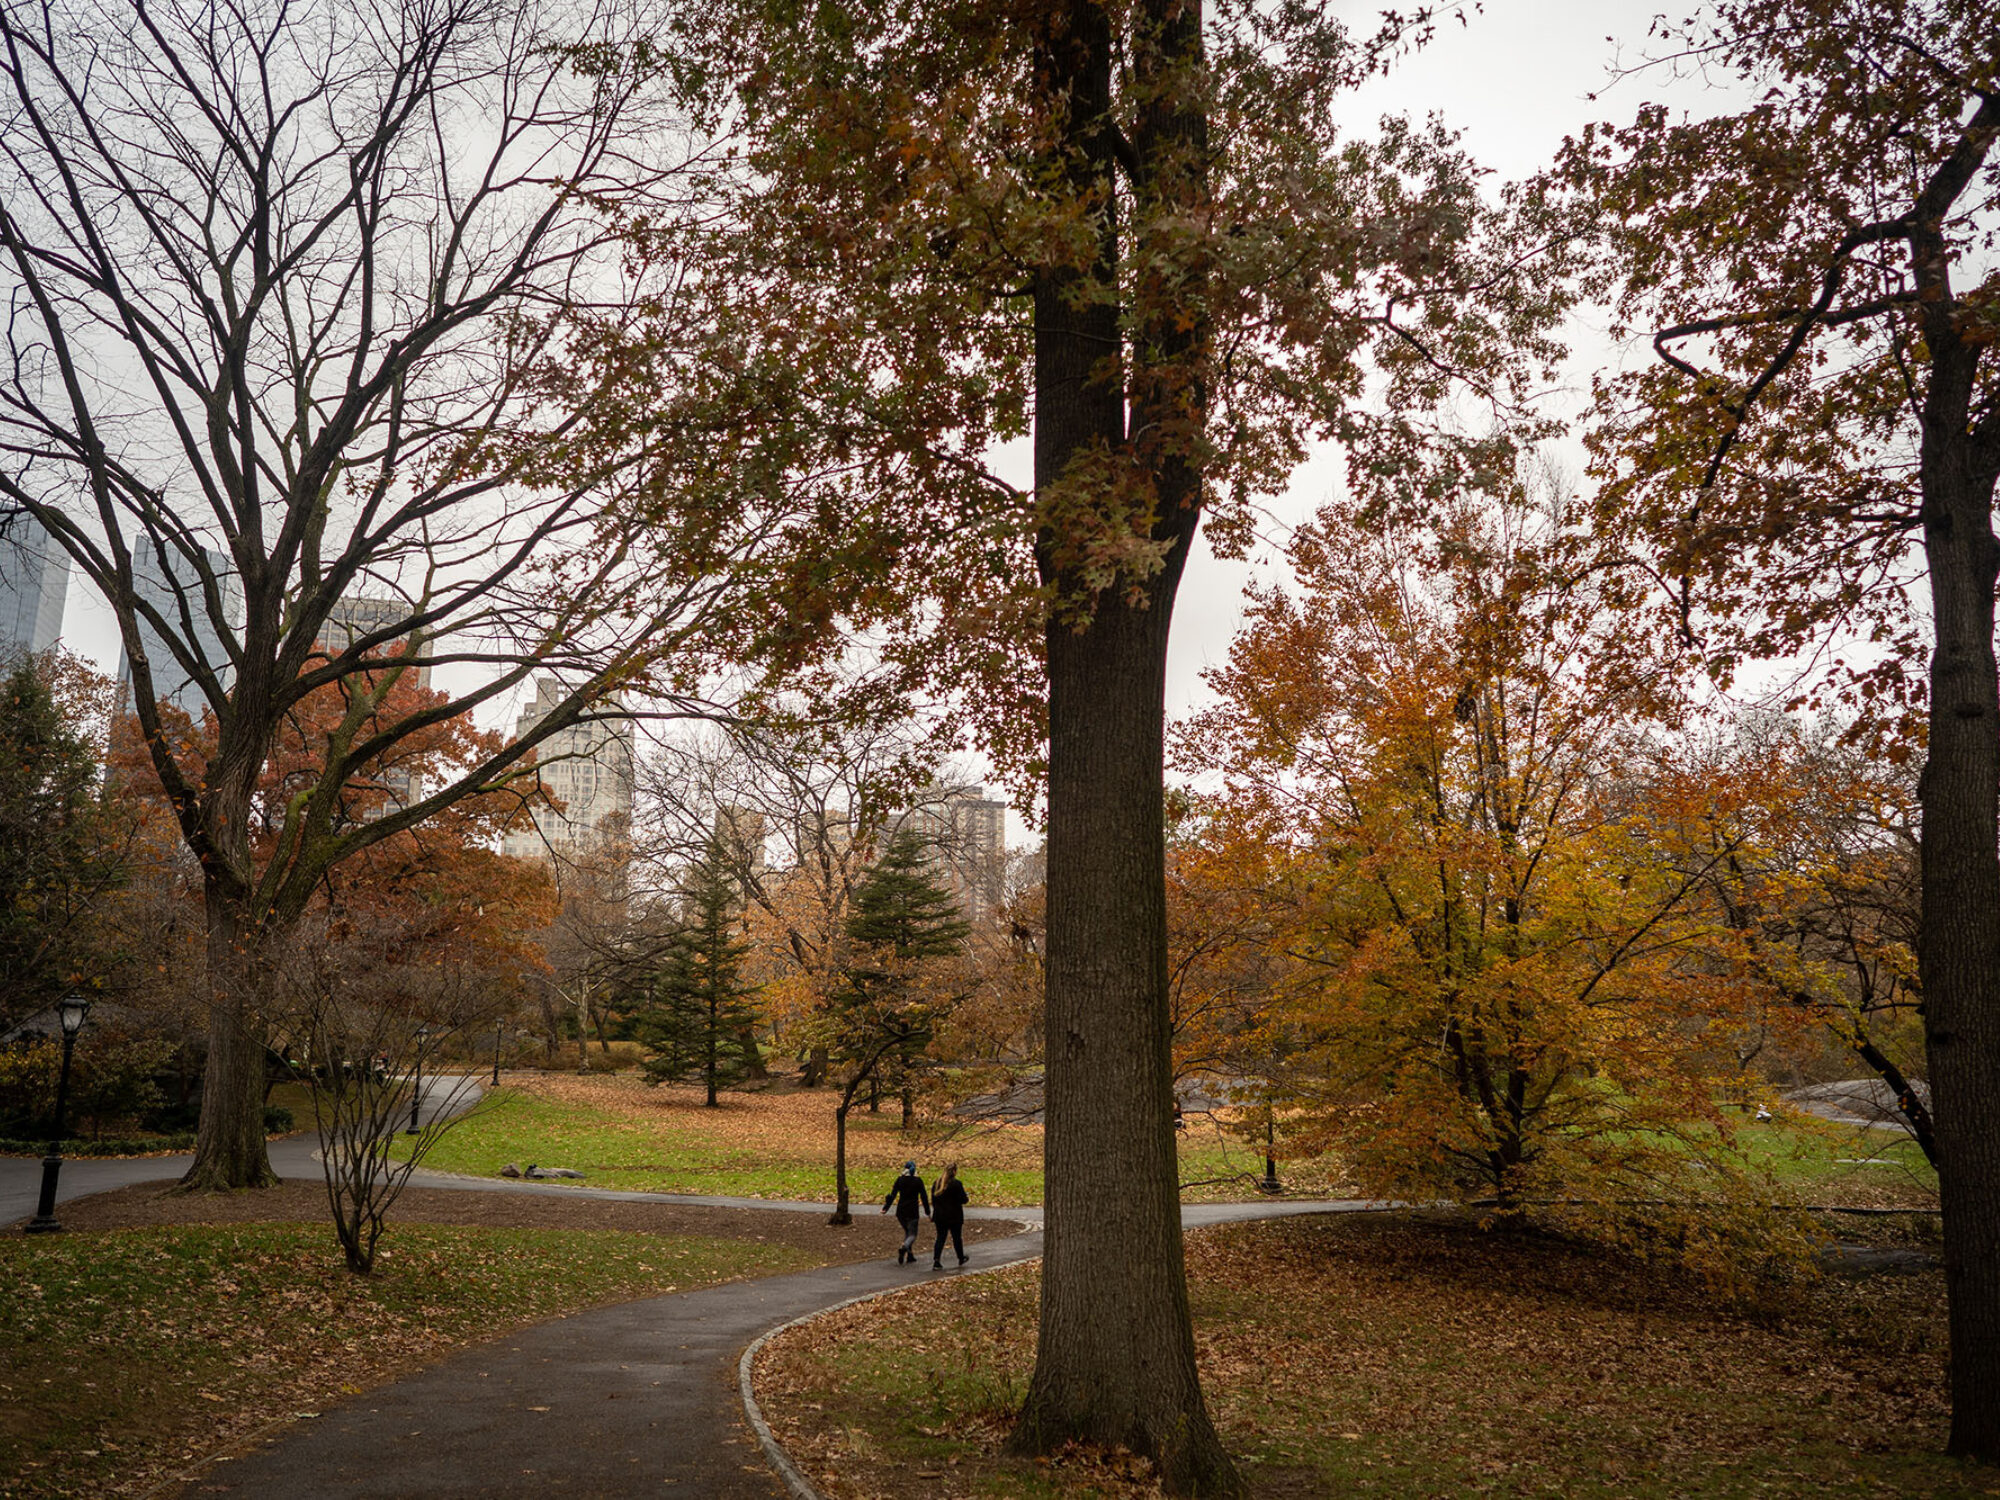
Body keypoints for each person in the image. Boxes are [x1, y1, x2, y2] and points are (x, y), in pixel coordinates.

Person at [880, 1160, 930, 1265]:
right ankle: (904, 1247)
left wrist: (885, 1208)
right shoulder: (918, 1181)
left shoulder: (900, 1180)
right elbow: (924, 1197)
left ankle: (910, 1256)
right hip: (912, 1211)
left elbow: (892, 1195)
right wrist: (927, 1212)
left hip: (901, 1211)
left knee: (907, 1232)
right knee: (912, 1234)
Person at [929, 1162, 968, 1270]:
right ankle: (960, 1257)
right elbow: (963, 1200)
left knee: (940, 1238)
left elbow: (933, 1200)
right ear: (954, 1172)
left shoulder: (937, 1183)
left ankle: (936, 1260)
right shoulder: (956, 1184)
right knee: (956, 1238)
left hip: (940, 1216)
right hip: (954, 1216)